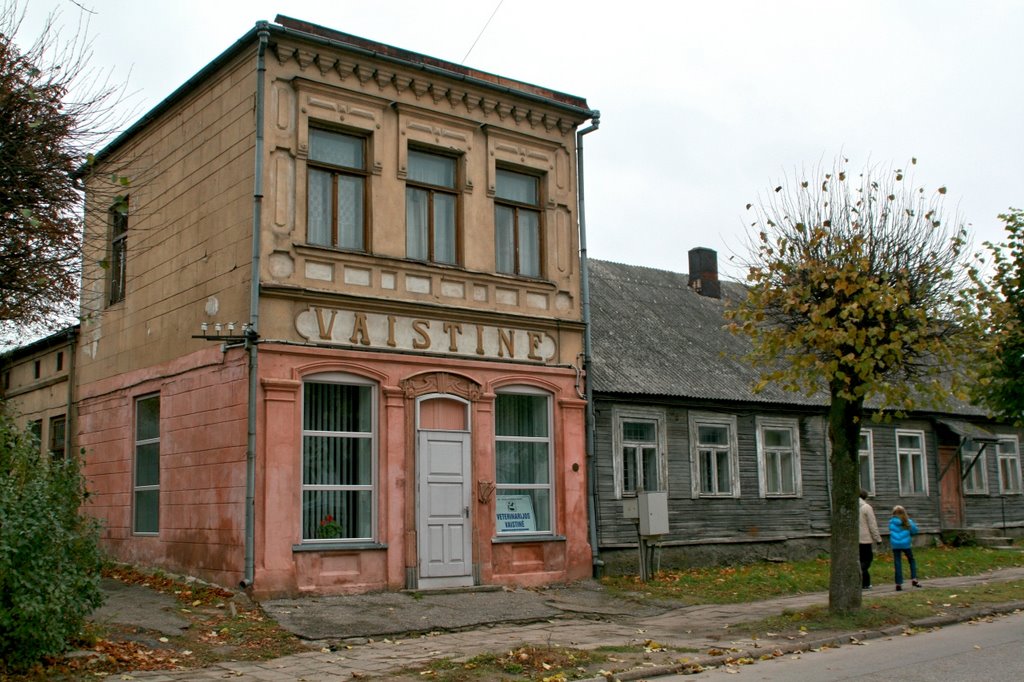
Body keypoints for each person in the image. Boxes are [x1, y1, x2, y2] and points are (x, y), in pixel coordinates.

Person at [889, 505, 921, 591]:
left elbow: (891, 530)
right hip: (906, 543)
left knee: (897, 562)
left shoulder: (891, 522)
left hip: (895, 544)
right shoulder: (907, 521)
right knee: (911, 560)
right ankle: (914, 579)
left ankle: (898, 583)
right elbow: (915, 530)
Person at [858, 490, 882, 589]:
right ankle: (864, 581)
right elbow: (872, 524)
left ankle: (864, 582)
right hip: (865, 538)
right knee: (867, 560)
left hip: (854, 540)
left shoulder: (851, 507)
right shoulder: (866, 507)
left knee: (860, 560)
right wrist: (878, 538)